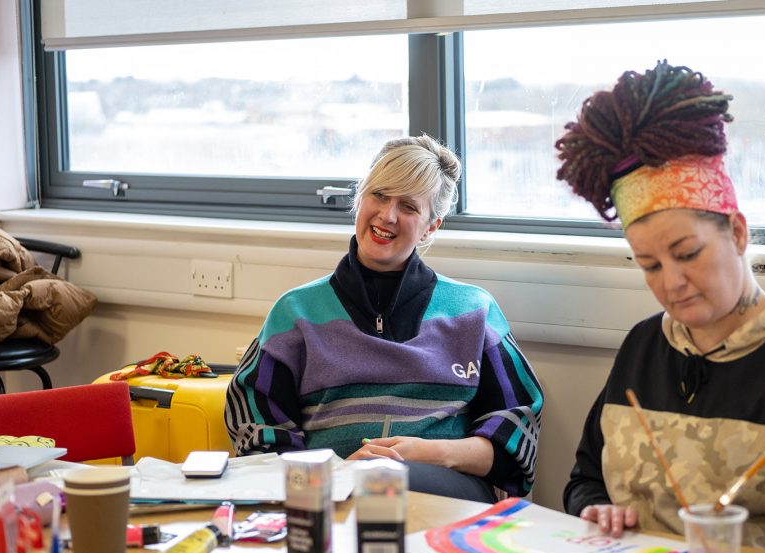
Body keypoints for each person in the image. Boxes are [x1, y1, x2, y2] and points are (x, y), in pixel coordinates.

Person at [556, 60, 765, 553]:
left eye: (688, 254)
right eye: (648, 264)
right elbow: (585, 477)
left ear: (736, 233)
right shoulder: (644, 345)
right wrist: (597, 507)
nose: (671, 282)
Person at [225, 134, 543, 502]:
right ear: (360, 198)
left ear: (431, 226)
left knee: (389, 483)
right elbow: (259, 441)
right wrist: (342, 472)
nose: (387, 215)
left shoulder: (474, 312)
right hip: (328, 496)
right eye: (379, 195)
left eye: (408, 206)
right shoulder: (295, 313)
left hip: (446, 495)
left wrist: (426, 453)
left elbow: (516, 439)